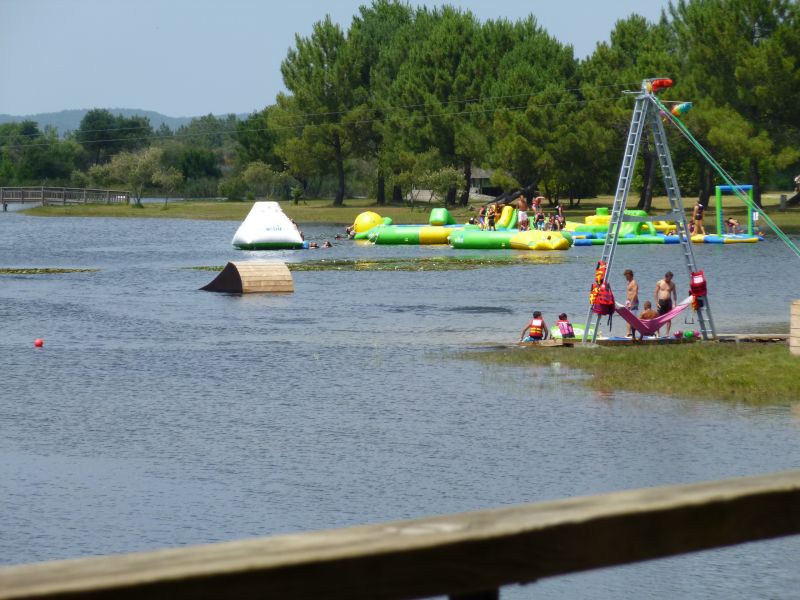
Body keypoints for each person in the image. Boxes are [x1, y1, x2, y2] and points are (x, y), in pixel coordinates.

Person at [654, 271, 678, 336]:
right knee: (658, 318)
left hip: (669, 302)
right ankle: (658, 333)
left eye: (671, 278)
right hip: (661, 302)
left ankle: (667, 333)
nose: (670, 280)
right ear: (666, 277)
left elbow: (674, 294)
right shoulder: (659, 282)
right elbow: (655, 293)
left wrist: (674, 303)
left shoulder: (672, 284)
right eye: (669, 278)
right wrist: (656, 302)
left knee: (669, 318)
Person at [624, 269, 639, 337]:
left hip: (634, 302)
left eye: (626, 276)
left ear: (630, 275)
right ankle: (628, 333)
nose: (626, 278)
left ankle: (632, 334)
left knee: (632, 319)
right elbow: (629, 293)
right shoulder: (629, 282)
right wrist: (627, 302)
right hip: (628, 302)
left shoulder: (634, 282)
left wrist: (631, 303)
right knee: (627, 318)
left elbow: (635, 293)